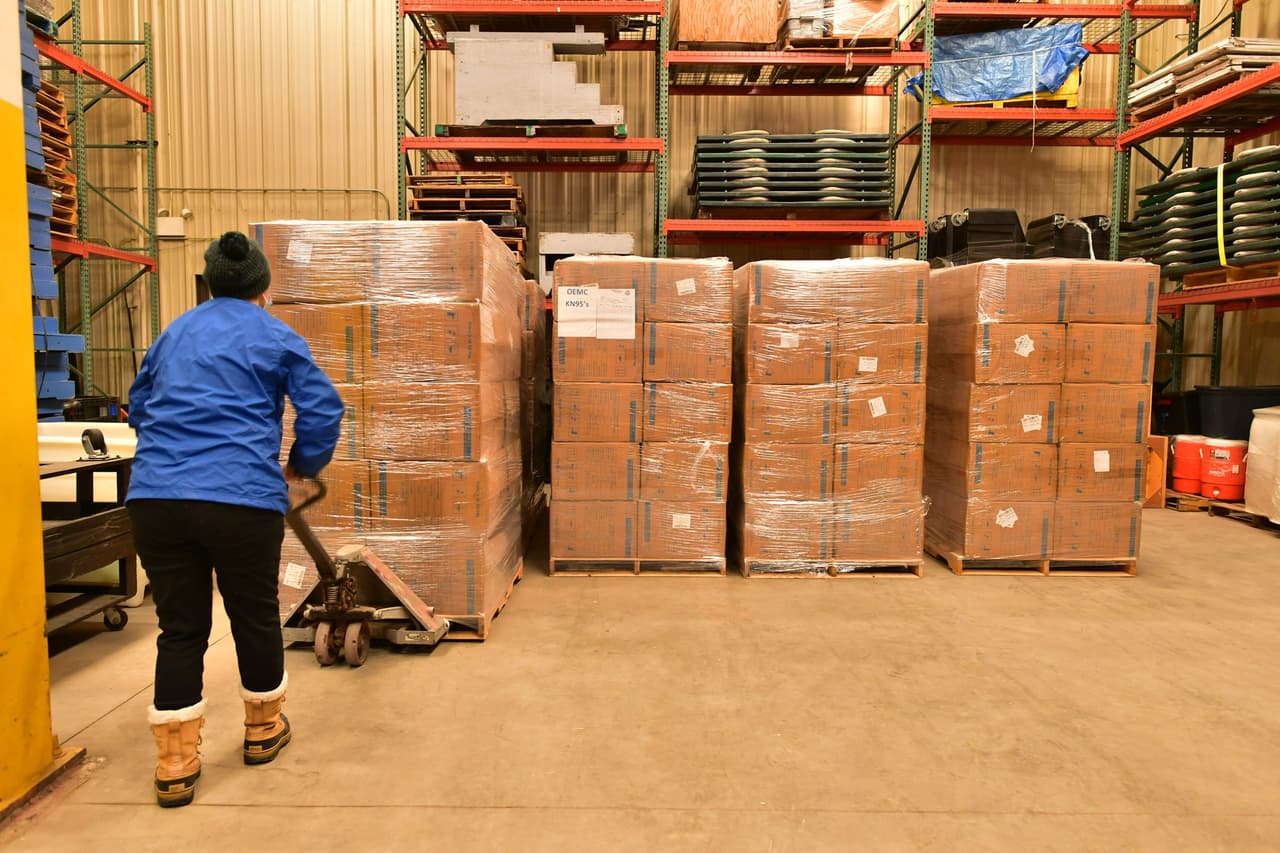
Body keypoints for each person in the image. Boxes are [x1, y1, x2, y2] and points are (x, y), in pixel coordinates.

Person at [126, 231, 344, 807]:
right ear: (263, 287)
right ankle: (263, 731)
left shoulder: (174, 332)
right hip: (239, 498)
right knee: (253, 614)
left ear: (210, 284)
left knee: (180, 627)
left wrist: (173, 455)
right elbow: (323, 407)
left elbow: (139, 406)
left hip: (156, 499)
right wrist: (302, 464)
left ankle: (175, 763)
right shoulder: (275, 335)